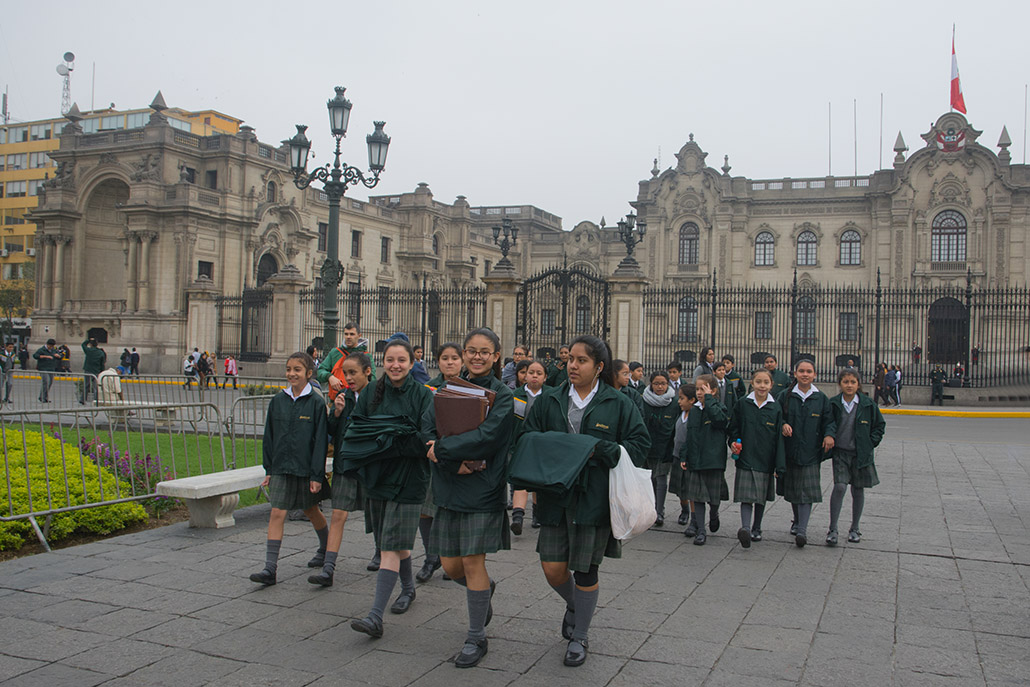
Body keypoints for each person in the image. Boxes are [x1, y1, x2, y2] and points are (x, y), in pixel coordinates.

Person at [518, 335, 650, 667]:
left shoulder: (618, 403)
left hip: (593, 497)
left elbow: (639, 444)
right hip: (555, 494)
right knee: (552, 567)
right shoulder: (550, 399)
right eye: (570, 360)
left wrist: (607, 450)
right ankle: (576, 605)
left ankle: (580, 636)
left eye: (581, 361)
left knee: (586, 569)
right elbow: (527, 436)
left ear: (599, 366)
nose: (572, 366)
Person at [424, 328, 515, 668]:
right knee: (450, 564)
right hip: (449, 484)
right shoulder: (446, 387)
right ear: (463, 354)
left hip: (482, 486)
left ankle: (476, 636)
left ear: (495, 355)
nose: (477, 357)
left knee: (473, 562)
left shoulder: (504, 395)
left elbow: (488, 437)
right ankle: (483, 590)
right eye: (471, 351)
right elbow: (426, 426)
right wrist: (444, 455)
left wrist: (445, 450)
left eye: (484, 352)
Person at [343, 338, 434, 639]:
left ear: (411, 363)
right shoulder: (371, 391)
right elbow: (357, 430)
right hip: (378, 477)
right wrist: (393, 434)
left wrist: (384, 437)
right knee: (392, 541)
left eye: (402, 360)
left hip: (410, 480)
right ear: (383, 362)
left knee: (390, 547)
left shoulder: (423, 395)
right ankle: (408, 589)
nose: (396, 365)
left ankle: (375, 617)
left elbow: (424, 439)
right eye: (390, 360)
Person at [249, 351, 329, 586]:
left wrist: (316, 475)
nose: (291, 374)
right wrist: (269, 469)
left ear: (308, 373)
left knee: (311, 510)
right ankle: (270, 568)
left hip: (305, 470)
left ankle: (325, 547)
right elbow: (269, 437)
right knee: (277, 512)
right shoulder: (278, 400)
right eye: (289, 369)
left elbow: (320, 442)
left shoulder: (315, 402)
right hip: (282, 467)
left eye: (297, 370)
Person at [308, 352, 374, 587]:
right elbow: (332, 430)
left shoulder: (377, 395)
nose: (348, 378)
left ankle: (381, 551)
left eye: (353, 373)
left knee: (376, 512)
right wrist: (336, 413)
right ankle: (329, 567)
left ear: (367, 371)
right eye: (345, 373)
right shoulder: (342, 396)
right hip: (345, 464)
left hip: (370, 466)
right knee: (338, 514)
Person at [416, 342, 465, 582]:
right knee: (426, 512)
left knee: (452, 512)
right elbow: (424, 421)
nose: (449, 362)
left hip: (459, 455)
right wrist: (430, 444)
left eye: (454, 358)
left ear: (462, 361)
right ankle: (430, 557)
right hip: (433, 455)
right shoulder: (428, 388)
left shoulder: (470, 388)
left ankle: (451, 559)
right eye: (444, 358)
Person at [778, 359, 836, 548]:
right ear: (795, 374)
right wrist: (782, 424)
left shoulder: (820, 398)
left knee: (807, 492)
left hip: (811, 452)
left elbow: (829, 421)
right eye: (801, 371)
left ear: (814, 375)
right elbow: (775, 416)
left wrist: (829, 435)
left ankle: (802, 529)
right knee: (794, 490)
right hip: (791, 451)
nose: (805, 374)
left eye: (808, 371)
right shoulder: (785, 396)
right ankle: (796, 520)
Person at [826, 368, 885, 546]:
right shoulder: (834, 403)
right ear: (840, 384)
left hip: (860, 454)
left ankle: (854, 527)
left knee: (858, 490)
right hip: (841, 453)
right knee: (840, 487)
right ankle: (833, 528)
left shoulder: (867, 404)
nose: (849, 385)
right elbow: (828, 423)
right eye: (846, 382)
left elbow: (879, 426)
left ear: (858, 384)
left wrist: (869, 443)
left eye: (853, 382)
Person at [727, 369, 785, 548]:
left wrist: (779, 465)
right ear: (752, 383)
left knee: (760, 497)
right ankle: (745, 527)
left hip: (765, 459)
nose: (762, 386)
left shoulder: (775, 407)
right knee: (746, 496)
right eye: (758, 382)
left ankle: (756, 527)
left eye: (766, 382)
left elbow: (778, 439)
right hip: (746, 456)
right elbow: (733, 427)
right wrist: (733, 443)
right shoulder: (743, 403)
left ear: (771, 385)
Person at [680, 374, 729, 545]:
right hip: (696, 460)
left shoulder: (719, 407)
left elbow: (719, 420)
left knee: (713, 497)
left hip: (713, 460)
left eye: (703, 389)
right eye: (698, 389)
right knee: (697, 496)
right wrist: (684, 455)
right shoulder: (694, 410)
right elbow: (690, 434)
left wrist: (709, 400)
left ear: (713, 390)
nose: (699, 392)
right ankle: (701, 529)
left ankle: (714, 514)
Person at [511, 359, 548, 534]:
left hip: (541, 444)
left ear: (545, 377)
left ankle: (537, 515)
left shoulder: (550, 395)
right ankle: (517, 516)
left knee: (538, 482)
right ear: (525, 376)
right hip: (521, 442)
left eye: (539, 373)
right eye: (531, 372)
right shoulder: (516, 394)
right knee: (521, 479)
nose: (534, 376)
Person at [641, 370, 678, 527]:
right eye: (656, 383)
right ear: (651, 384)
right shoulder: (643, 400)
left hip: (665, 445)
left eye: (663, 383)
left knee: (661, 477)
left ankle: (659, 511)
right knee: (648, 479)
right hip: (647, 445)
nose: (660, 387)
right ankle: (648, 510)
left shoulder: (674, 402)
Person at [317, 322, 377, 401]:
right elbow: (320, 371)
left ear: (359, 336)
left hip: (358, 400)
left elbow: (372, 378)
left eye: (352, 334)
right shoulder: (335, 353)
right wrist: (330, 377)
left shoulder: (366, 356)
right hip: (336, 400)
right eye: (346, 334)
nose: (348, 337)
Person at [670, 384, 696, 528]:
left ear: (692, 400)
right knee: (680, 489)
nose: (679, 401)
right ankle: (684, 509)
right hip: (677, 455)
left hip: (688, 457)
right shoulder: (680, 413)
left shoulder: (694, 415)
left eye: (682, 398)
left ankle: (693, 518)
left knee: (690, 489)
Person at [81, 338, 106, 403]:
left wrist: (88, 340)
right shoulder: (101, 352)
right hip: (97, 371)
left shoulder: (89, 351)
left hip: (88, 370)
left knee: (86, 385)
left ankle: (83, 399)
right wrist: (102, 371)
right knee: (96, 386)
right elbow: (102, 363)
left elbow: (83, 345)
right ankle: (96, 400)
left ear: (91, 344)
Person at [33, 338, 59, 403]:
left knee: (50, 382)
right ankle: (42, 397)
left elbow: (59, 355)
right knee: (46, 381)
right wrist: (45, 356)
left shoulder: (53, 350)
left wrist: (58, 356)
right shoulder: (41, 350)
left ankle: (45, 397)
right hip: (43, 368)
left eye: (52, 346)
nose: (51, 347)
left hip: (51, 368)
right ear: (47, 344)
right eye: (50, 346)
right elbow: (35, 356)